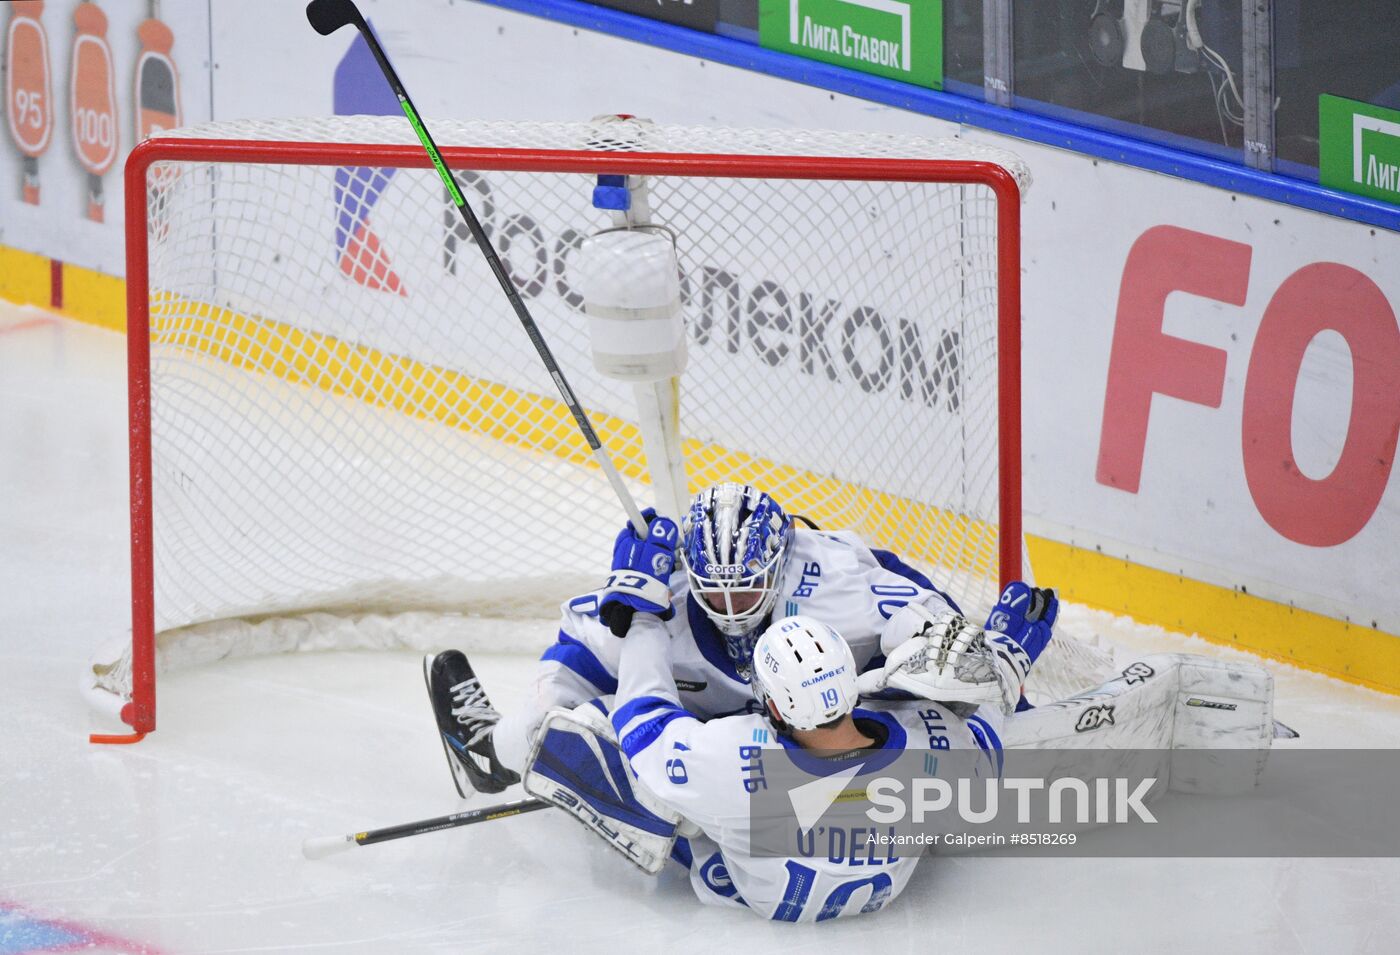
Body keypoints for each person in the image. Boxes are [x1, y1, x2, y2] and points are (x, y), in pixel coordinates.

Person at [424, 481, 1058, 798]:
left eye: (746, 590)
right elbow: (572, 655)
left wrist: (988, 667)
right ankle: (488, 756)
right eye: (714, 591)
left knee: (939, 700)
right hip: (721, 739)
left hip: (822, 730)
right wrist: (525, 739)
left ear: (782, 566)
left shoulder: (838, 579)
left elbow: (926, 624)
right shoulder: (663, 597)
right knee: (536, 727)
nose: (730, 610)